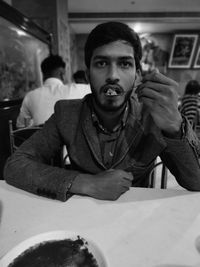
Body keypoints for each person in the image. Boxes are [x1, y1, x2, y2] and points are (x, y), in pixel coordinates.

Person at [4, 21, 200, 202]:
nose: (113, 76)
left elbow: (196, 182)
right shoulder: (66, 114)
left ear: (137, 75)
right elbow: (16, 165)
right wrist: (86, 182)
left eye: (124, 63)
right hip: (82, 213)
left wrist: (175, 128)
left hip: (135, 215)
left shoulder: (153, 117)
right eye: (101, 63)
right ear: (88, 74)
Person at [16, 54, 67, 128]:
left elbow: (21, 126)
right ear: (62, 73)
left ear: (43, 74)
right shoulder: (77, 89)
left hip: (41, 138)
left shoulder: (30, 96)